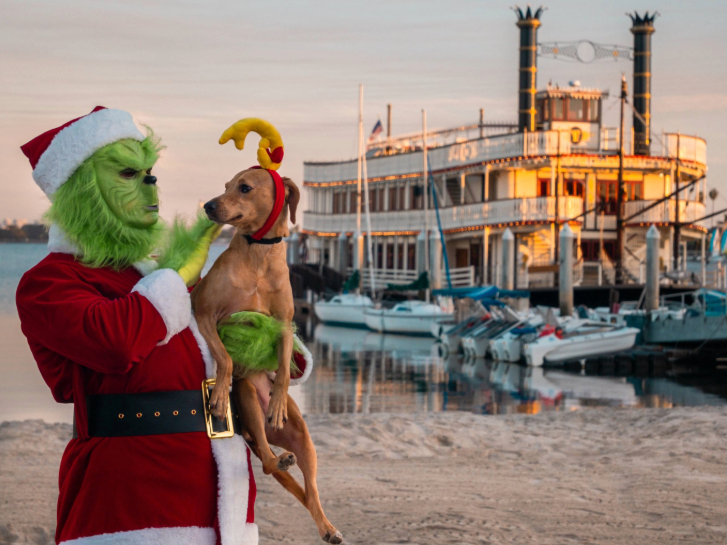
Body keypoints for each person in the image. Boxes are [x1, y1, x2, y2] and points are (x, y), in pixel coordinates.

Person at [16, 107, 258, 545]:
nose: (151, 183)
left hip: (219, 491)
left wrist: (271, 342)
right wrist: (178, 278)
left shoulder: (153, 277)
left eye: (151, 172)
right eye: (129, 172)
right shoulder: (49, 282)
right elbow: (114, 341)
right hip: (131, 503)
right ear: (82, 191)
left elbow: (238, 354)